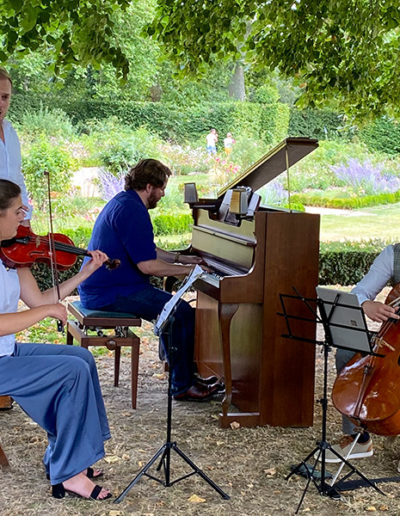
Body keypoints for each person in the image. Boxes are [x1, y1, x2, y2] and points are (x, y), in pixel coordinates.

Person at [0, 179, 112, 500]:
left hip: (7, 352)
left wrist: (85, 273)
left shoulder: (10, 253)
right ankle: (69, 474)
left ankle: (69, 455)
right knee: (71, 372)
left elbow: (40, 300)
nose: (24, 217)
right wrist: (45, 312)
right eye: (17, 211)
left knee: (81, 358)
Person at [79, 159, 219, 401]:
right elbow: (148, 266)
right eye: (161, 188)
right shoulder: (133, 211)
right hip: (109, 292)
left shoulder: (125, 202)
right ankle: (182, 386)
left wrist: (182, 259)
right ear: (148, 186)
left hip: (105, 286)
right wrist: (188, 271)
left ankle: (181, 373)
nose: (163, 194)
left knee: (172, 310)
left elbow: (147, 249)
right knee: (180, 312)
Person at [316, 243, 400, 466]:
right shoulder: (393, 254)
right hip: (393, 334)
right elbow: (360, 292)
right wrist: (366, 304)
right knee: (347, 353)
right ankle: (358, 438)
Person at [0, 68, 32, 226]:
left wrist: (25, 219)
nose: (1, 103)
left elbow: (17, 179)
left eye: (5, 97)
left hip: (12, 224)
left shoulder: (10, 131)